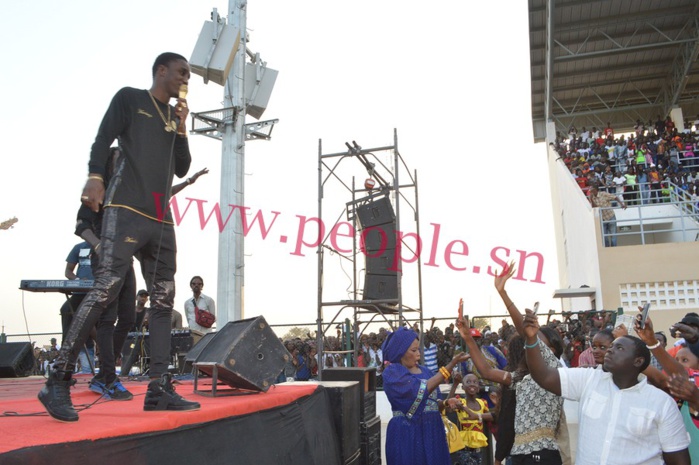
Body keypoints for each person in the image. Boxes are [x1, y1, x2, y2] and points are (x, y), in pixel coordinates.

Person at [38, 52, 199, 422]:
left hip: (161, 218)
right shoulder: (130, 98)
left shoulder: (172, 118)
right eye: (181, 72)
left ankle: (159, 387)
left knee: (162, 299)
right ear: (162, 70)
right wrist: (95, 176)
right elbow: (101, 139)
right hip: (125, 210)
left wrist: (183, 126)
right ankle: (58, 379)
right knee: (106, 287)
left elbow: (182, 166)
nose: (185, 79)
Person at [522, 312, 690, 464]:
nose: (610, 351)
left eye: (619, 348)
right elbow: (543, 376)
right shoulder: (589, 379)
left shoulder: (662, 403)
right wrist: (531, 340)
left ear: (638, 361)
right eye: (611, 346)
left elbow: (678, 460)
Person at [382, 326, 469, 465]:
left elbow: (434, 403)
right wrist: (451, 364)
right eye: (414, 350)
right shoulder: (392, 373)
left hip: (432, 432)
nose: (419, 354)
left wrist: (446, 403)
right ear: (400, 352)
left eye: (419, 349)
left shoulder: (426, 372)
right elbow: (417, 392)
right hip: (407, 434)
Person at [60, 241, 96, 374]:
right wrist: (77, 281)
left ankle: (100, 352)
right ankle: (66, 347)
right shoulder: (78, 247)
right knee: (66, 310)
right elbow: (68, 271)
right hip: (80, 291)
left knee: (89, 320)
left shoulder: (106, 245)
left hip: (98, 291)